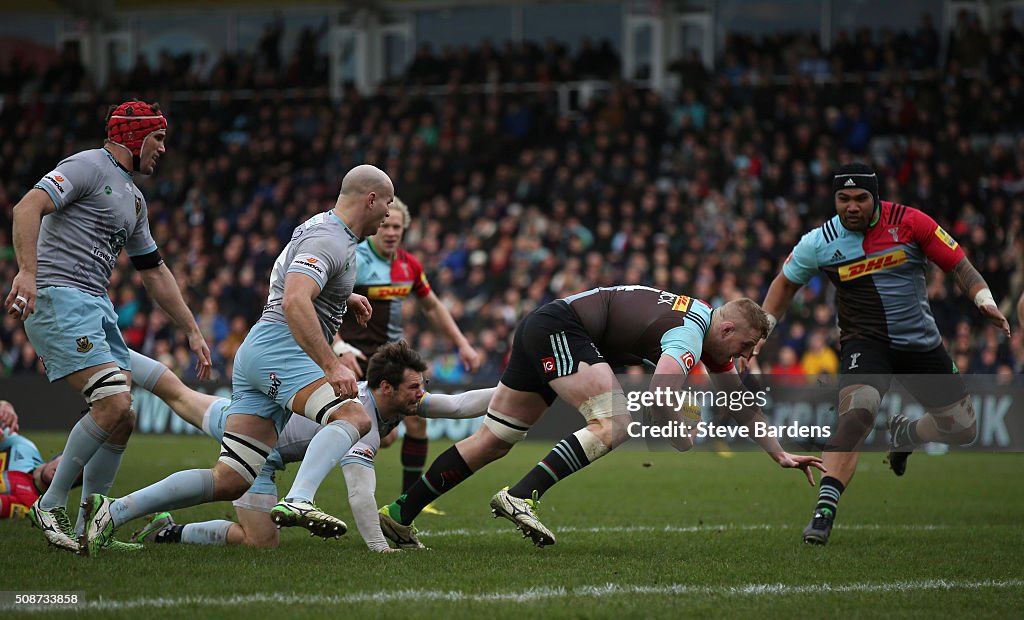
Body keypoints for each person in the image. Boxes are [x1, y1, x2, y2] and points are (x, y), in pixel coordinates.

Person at [79, 164, 394, 556]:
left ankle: (116, 511)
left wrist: (343, 298)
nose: (388, 214)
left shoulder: (325, 230)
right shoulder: (331, 238)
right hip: (281, 348)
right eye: (388, 203)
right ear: (370, 199)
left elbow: (288, 280)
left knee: (231, 479)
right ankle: (299, 498)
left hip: (261, 349)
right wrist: (332, 365)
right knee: (353, 417)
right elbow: (295, 299)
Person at [378, 286, 825, 548]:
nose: (746, 358)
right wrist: (682, 425)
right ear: (727, 330)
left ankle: (399, 514)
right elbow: (662, 394)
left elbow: (740, 403)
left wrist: (779, 453)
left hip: (548, 326)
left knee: (494, 439)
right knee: (617, 421)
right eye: (746, 347)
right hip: (561, 329)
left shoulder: (704, 330)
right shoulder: (690, 334)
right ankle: (521, 495)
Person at [755, 162, 1010, 545]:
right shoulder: (819, 242)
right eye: (844, 198)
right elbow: (784, 284)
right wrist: (762, 329)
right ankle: (824, 510)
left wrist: (983, 300)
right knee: (859, 412)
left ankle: (906, 433)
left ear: (875, 197)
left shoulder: (911, 223)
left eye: (860, 198)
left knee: (963, 427)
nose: (852, 206)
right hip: (865, 344)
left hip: (920, 343)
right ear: (834, 199)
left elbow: (959, 265)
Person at [4, 100, 212, 553]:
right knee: (114, 403)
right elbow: (26, 208)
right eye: (158, 138)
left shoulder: (134, 198)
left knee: (123, 419)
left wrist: (192, 330)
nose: (163, 149)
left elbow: (154, 270)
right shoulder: (86, 166)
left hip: (96, 307)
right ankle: (51, 501)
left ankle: (88, 528)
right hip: (60, 298)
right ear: (134, 137)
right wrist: (26, 271)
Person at [122, 344, 493, 551]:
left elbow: (460, 405)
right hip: (253, 440)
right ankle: (164, 530)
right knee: (259, 543)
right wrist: (381, 549)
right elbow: (361, 494)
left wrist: (517, 391)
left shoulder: (397, 400)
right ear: (385, 387)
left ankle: (116, 349)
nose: (421, 393)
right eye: (414, 387)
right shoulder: (360, 418)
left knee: (175, 392)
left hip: (256, 437)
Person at [336, 197, 481, 511]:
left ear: (405, 229)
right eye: (385, 225)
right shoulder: (354, 259)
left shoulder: (409, 265)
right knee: (373, 433)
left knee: (417, 422)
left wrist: (463, 344)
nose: (390, 232)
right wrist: (338, 348)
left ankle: (410, 501)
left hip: (391, 360)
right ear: (376, 226)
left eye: (397, 227)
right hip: (354, 359)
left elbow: (432, 306)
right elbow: (324, 302)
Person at [0, 400, 80, 519]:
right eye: (68, 463)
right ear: (60, 456)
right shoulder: (26, 448)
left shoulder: (31, 504)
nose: (64, 471)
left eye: (73, 473)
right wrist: (5, 406)